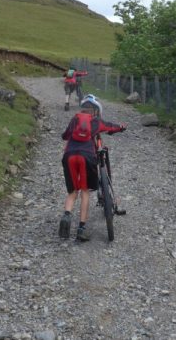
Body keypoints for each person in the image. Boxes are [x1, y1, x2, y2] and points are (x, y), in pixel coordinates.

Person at [59, 94, 126, 241]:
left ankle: (67, 215)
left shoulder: (75, 119)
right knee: (85, 191)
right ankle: (81, 229)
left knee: (72, 191)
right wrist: (121, 127)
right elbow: (111, 127)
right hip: (86, 157)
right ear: (96, 111)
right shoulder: (96, 121)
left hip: (69, 156)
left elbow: (65, 136)